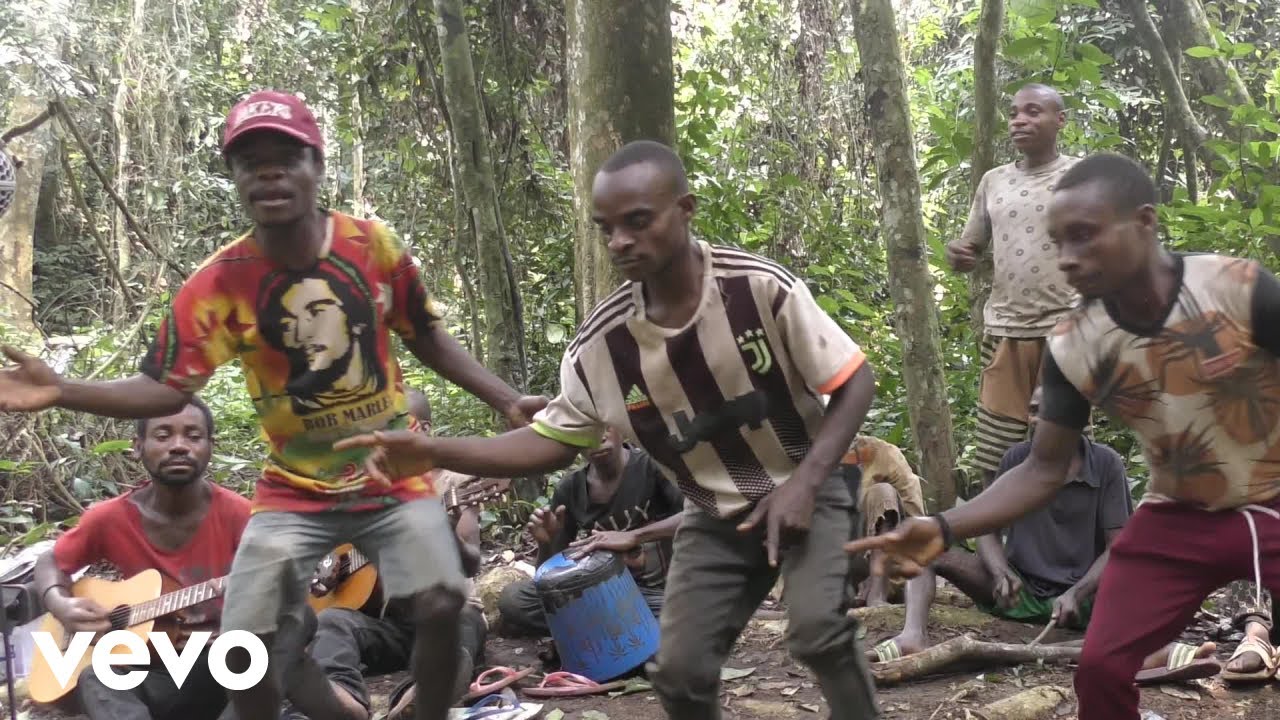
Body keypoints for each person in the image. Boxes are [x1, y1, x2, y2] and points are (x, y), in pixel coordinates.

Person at [0, 90, 546, 720]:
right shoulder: (220, 282)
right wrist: (63, 389)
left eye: (285, 157)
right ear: (235, 178)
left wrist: (507, 400)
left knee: (443, 598)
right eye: (250, 161)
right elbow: (166, 387)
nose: (268, 172)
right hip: (294, 490)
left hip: (390, 476)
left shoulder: (373, 248)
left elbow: (426, 337)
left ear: (316, 164)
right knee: (244, 643)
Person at [337, 140, 883, 719]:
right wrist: (430, 451)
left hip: (812, 484)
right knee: (677, 673)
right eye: (608, 228)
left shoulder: (757, 288)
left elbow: (854, 380)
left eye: (639, 222)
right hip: (717, 514)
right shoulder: (603, 343)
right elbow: (548, 443)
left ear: (685, 210)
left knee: (817, 629)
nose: (621, 241)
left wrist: (805, 483)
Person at [848, 152, 1280, 719]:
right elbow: (1043, 467)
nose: (1068, 258)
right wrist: (944, 525)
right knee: (1100, 669)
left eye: (1085, 237)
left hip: (1274, 497)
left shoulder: (1239, 288)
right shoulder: (1076, 342)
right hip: (1178, 515)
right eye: (1059, 242)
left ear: (1144, 222)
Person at [32, 399, 250, 720]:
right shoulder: (110, 518)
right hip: (149, 670)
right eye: (163, 435)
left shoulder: (240, 514)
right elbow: (50, 560)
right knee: (96, 677)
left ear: (209, 447)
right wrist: (60, 604)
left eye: (193, 435)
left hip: (219, 668)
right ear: (137, 447)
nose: (178, 446)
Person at [280, 390, 488, 720]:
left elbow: (471, 561)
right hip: (390, 623)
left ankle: (416, 698)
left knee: (463, 629)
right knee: (332, 621)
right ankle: (341, 699)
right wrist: (329, 565)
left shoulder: (453, 484)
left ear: (423, 429)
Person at [946, 83, 1083, 485]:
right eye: (1014, 113)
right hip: (1006, 328)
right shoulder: (994, 181)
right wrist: (958, 255)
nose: (1020, 120)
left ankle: (1065, 540)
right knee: (994, 451)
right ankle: (996, 542)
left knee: (1067, 445)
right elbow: (967, 246)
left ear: (1060, 120)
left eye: (1033, 111)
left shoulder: (1080, 175)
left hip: (1066, 330)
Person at [497, 425, 683, 637]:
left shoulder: (652, 466)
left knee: (681, 623)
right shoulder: (571, 487)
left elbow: (700, 514)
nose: (597, 437)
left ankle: (600, 629)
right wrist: (547, 542)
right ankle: (621, 629)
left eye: (603, 427)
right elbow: (548, 576)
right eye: (584, 431)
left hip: (655, 592)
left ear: (621, 428)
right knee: (514, 600)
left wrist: (634, 536)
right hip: (598, 589)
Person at [842, 434, 926, 607]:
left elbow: (916, 519)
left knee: (882, 492)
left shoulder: (885, 454)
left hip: (883, 562)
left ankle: (877, 593)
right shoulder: (803, 455)